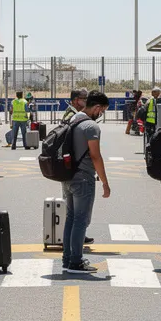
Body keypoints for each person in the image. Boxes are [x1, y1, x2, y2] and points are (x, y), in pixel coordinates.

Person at [61, 92, 111, 273]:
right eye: (102, 110)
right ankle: (76, 261)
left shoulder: (73, 119)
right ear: (97, 107)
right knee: (81, 220)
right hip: (83, 178)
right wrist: (105, 182)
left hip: (67, 176)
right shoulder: (91, 126)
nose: (101, 114)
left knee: (71, 219)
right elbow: (96, 156)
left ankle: (67, 259)